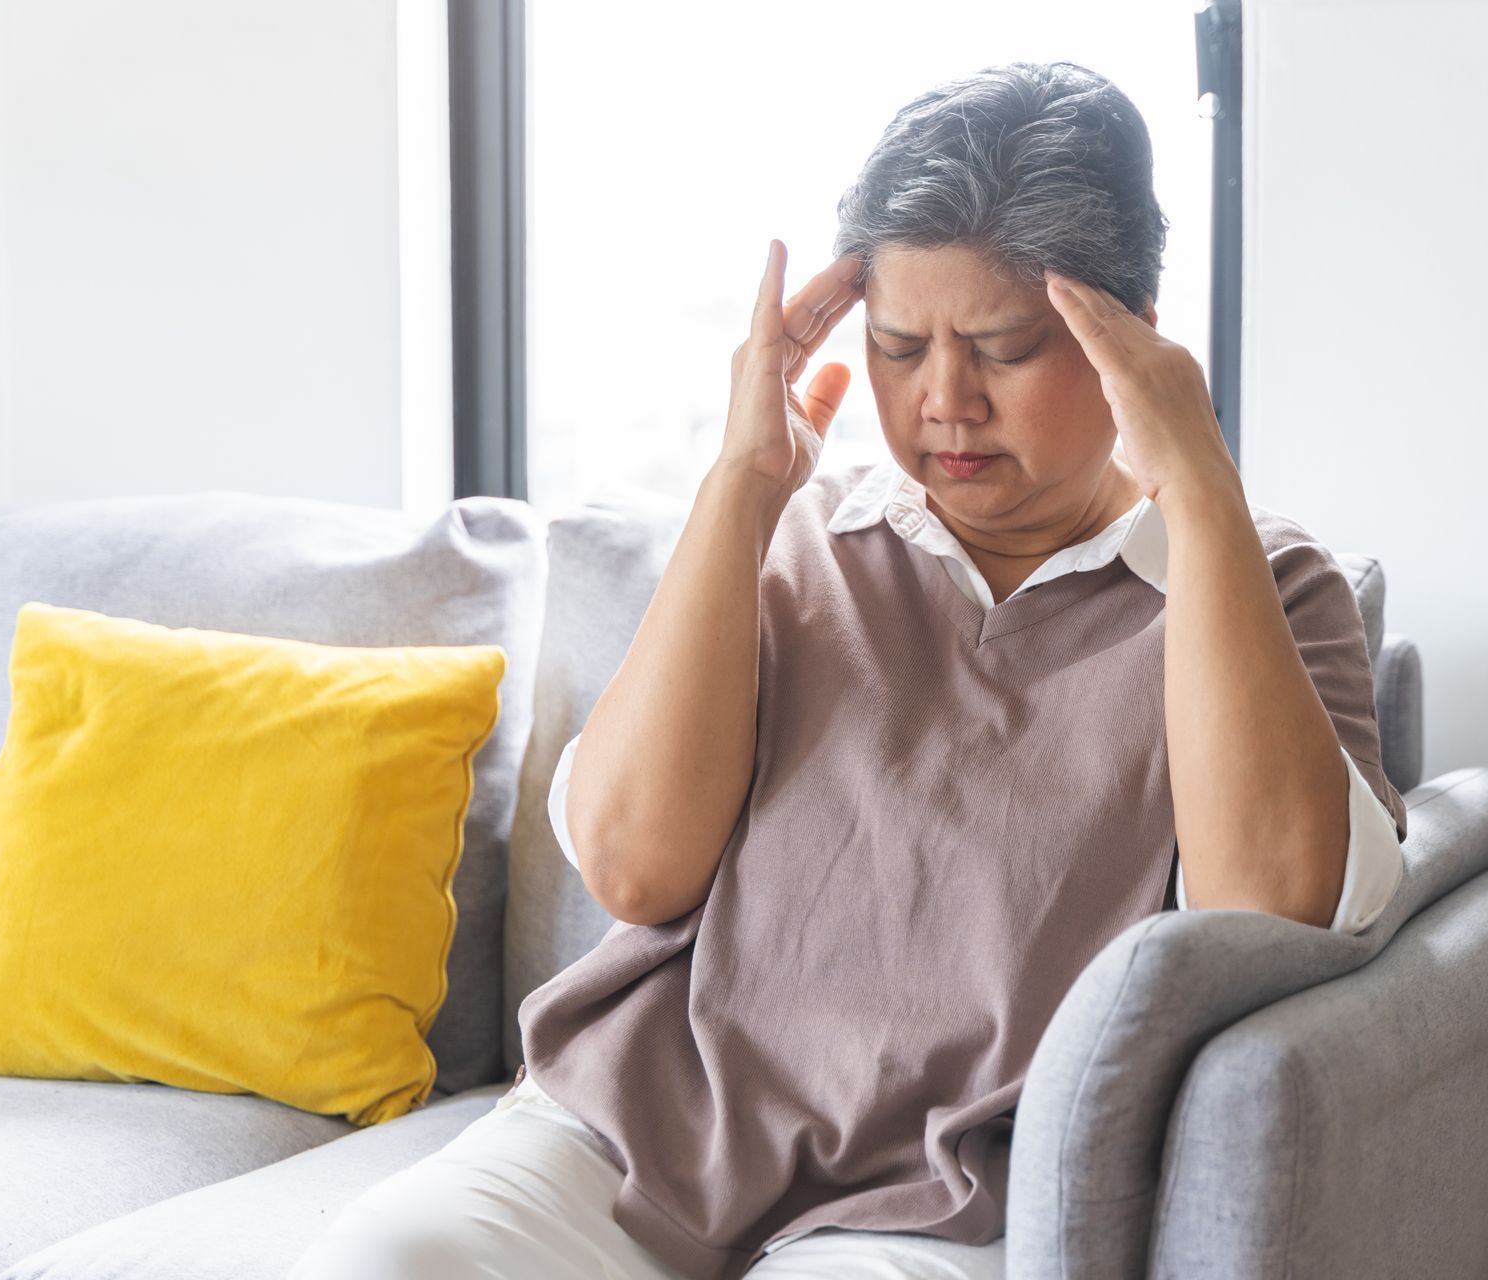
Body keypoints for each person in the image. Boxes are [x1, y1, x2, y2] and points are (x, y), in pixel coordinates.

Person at [291, 59, 1406, 1280]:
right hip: (645, 1122)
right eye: (898, 343)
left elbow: (1271, 905)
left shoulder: (1250, 578)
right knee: (385, 1256)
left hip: (948, 1189)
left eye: (1004, 346)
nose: (944, 401)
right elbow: (632, 860)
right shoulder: (802, 539)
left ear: (1132, 334)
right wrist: (742, 488)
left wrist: (1197, 484)